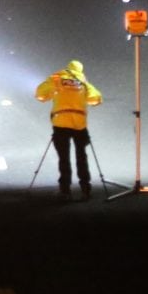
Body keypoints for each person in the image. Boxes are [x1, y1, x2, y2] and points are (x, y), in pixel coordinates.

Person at [35, 59, 103, 199]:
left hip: (60, 122)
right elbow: (95, 98)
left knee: (63, 158)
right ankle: (86, 189)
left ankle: (65, 190)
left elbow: (40, 94)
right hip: (80, 124)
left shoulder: (56, 78)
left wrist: (54, 93)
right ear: (80, 70)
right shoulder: (83, 81)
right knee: (81, 156)